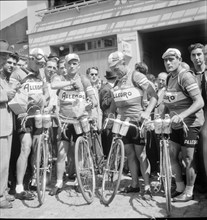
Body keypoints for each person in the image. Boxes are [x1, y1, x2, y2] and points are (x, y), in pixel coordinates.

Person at [108, 51, 158, 200]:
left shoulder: (136, 76)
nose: (115, 71)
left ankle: (147, 186)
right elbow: (113, 103)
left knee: (141, 155)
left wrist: (147, 112)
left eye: (116, 67)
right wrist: (110, 116)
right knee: (129, 154)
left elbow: (154, 96)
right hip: (123, 124)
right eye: (113, 68)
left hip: (137, 122)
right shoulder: (117, 81)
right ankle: (135, 185)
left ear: (124, 63)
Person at [49, 53, 97, 196]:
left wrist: (89, 105)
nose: (71, 66)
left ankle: (78, 180)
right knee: (61, 152)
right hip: (64, 121)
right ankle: (58, 182)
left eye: (74, 63)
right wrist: (70, 83)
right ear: (65, 65)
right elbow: (53, 85)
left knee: (80, 152)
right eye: (69, 63)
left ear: (79, 65)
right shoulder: (61, 78)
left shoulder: (84, 80)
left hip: (80, 121)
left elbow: (94, 100)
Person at [162, 48, 204, 202]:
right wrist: (162, 117)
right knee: (172, 156)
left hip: (190, 123)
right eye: (165, 60)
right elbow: (169, 101)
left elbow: (199, 101)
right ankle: (179, 187)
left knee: (188, 159)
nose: (168, 63)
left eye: (171, 59)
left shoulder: (185, 76)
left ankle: (189, 191)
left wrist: (182, 116)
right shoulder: (168, 78)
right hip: (175, 125)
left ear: (179, 59)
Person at [10, 48, 50, 200]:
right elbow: (11, 92)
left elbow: (46, 92)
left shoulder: (41, 74)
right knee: (25, 148)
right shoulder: (18, 72)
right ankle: (19, 187)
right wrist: (25, 97)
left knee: (37, 149)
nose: (40, 66)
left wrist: (43, 99)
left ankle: (33, 179)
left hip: (38, 115)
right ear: (30, 59)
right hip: (24, 115)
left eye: (42, 64)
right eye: (38, 63)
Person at [0, 40, 19, 208]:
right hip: (0, 126)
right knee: (1, 163)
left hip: (6, 124)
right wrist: (7, 94)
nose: (4, 59)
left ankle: (4, 191)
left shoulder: (2, 76)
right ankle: (0, 197)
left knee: (5, 163)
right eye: (3, 55)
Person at [188, 43, 207, 193]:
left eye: (199, 54)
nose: (197, 58)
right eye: (194, 55)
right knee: (194, 150)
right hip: (195, 115)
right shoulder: (189, 75)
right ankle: (199, 182)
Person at [99, 69, 117, 158]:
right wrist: (113, 96)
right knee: (109, 141)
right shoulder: (106, 89)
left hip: (114, 117)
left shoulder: (112, 88)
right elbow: (103, 104)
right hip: (108, 118)